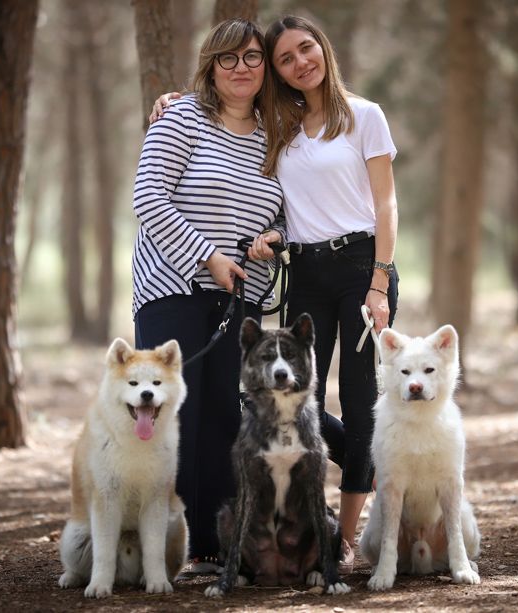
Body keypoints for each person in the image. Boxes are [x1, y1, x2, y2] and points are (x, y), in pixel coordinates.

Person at [150, 15, 399, 574]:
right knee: (289, 399)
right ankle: (305, 517)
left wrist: (380, 280)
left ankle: (345, 539)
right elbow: (284, 206)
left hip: (361, 266)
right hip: (303, 272)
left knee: (359, 399)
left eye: (305, 49)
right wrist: (175, 99)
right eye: (285, 58)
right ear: (277, 73)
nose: (299, 63)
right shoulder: (278, 125)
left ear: (323, 48)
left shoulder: (364, 115)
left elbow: (385, 204)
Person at [131, 19, 284, 575]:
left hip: (240, 297)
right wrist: (209, 257)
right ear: (211, 66)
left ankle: (213, 544)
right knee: (178, 415)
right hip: (172, 286)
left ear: (265, 67)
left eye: (252, 57)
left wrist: (274, 239)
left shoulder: (277, 134)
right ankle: (163, 544)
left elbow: (287, 214)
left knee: (224, 413)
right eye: (229, 58)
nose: (241, 68)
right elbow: (148, 197)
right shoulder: (182, 118)